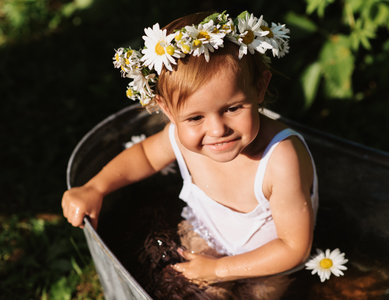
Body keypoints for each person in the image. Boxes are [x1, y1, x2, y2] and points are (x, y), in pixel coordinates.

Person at [62, 11, 318, 299]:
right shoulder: (180, 138)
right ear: (167, 111)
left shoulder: (280, 158)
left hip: (266, 261)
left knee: (260, 295)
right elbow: (145, 156)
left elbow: (293, 247)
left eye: (233, 108)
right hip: (205, 234)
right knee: (183, 289)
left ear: (260, 88)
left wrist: (221, 270)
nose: (217, 129)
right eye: (195, 118)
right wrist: (96, 187)